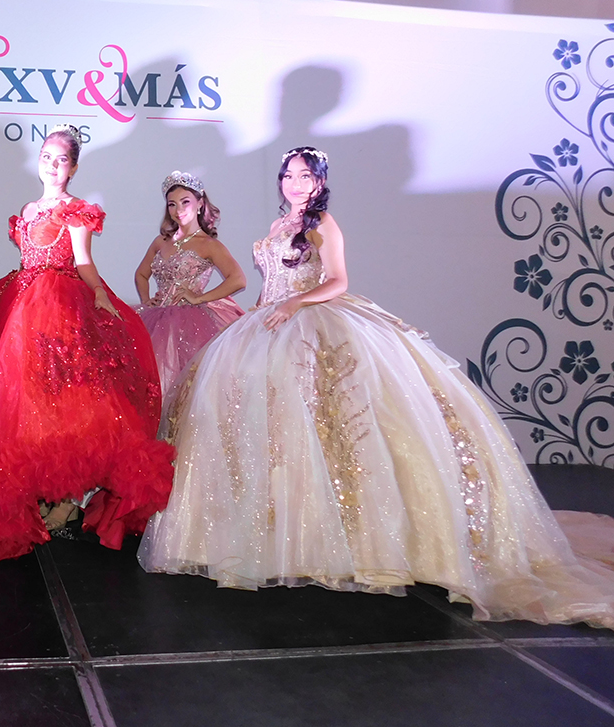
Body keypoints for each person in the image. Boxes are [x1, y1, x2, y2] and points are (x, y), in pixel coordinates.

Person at [138, 146, 614, 629]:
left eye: (304, 176)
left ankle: (348, 536)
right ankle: (273, 530)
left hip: (311, 319)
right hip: (271, 320)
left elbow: (338, 281)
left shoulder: (322, 223)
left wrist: (295, 304)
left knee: (333, 424)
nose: (294, 184)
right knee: (269, 426)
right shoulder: (281, 225)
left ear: (319, 181)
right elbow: (272, 282)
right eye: (288, 176)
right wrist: (263, 311)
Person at [0, 124, 175, 566]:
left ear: (73, 168)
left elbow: (82, 261)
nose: (52, 165)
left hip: (58, 303)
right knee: (23, 400)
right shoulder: (27, 209)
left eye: (61, 160)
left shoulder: (76, 211)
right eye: (46, 157)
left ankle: (65, 499)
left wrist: (98, 295)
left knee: (65, 399)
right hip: (20, 305)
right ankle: (41, 499)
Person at [135, 170, 246, 395]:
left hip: (191, 324)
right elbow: (141, 274)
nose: (179, 210)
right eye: (172, 204)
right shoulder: (161, 241)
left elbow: (238, 279)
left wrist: (199, 298)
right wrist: (146, 300)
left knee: (185, 387)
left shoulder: (208, 244)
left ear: (200, 204)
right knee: (151, 381)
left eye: (185, 202)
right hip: (155, 320)